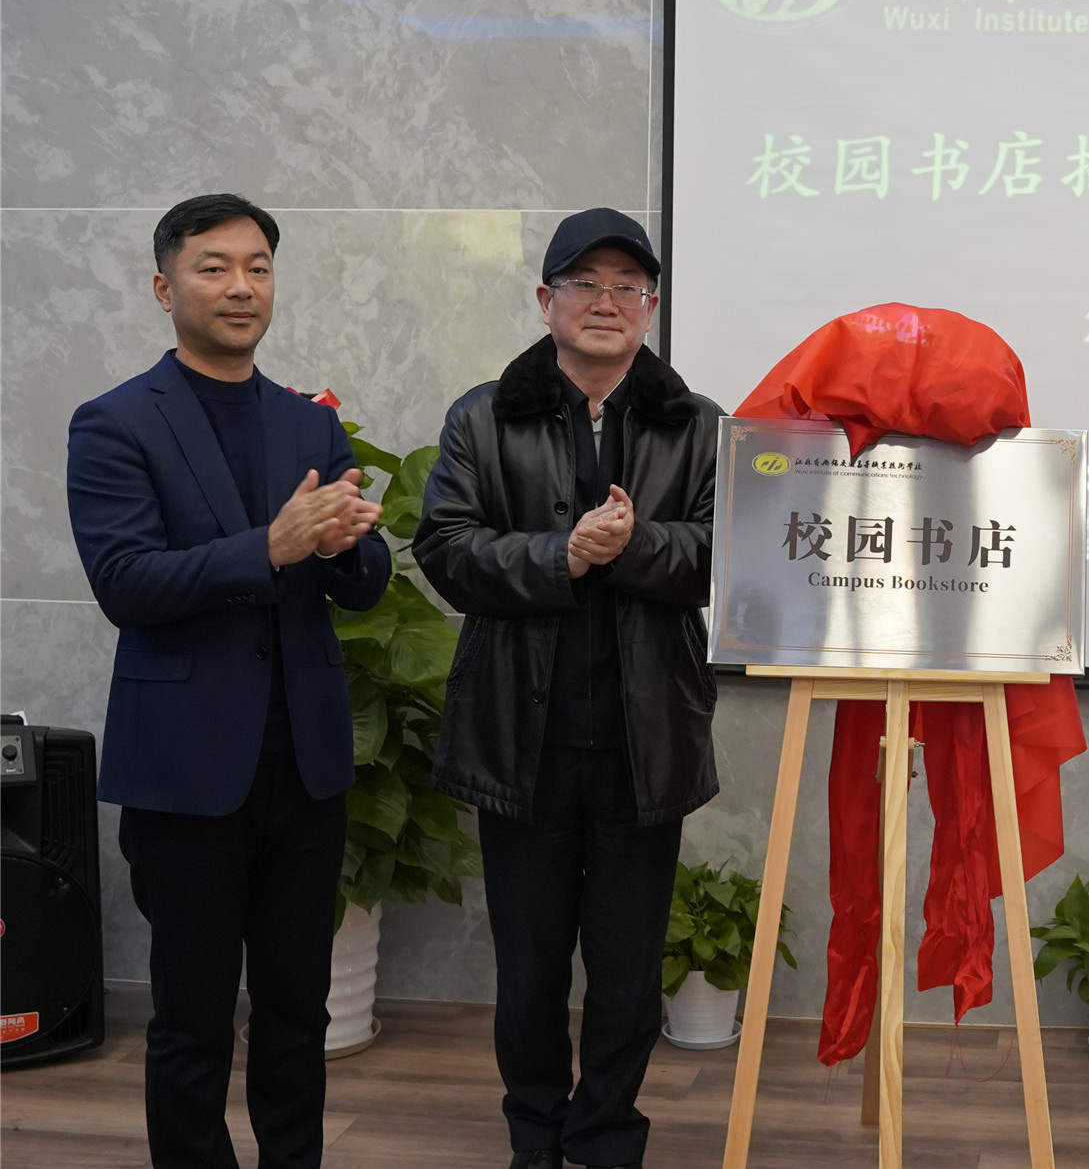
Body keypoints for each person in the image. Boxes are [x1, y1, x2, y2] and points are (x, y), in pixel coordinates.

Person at [67, 194, 391, 1169]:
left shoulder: (308, 424)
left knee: (298, 1010)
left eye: (257, 266)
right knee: (193, 1016)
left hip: (306, 765)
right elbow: (126, 583)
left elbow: (365, 583)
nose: (240, 285)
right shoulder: (115, 422)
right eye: (213, 267)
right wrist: (269, 547)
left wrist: (340, 547)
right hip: (186, 771)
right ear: (165, 288)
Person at [413, 208, 720, 1169]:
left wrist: (634, 544)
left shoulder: (697, 423)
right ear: (546, 300)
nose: (606, 301)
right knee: (531, 967)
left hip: (645, 740)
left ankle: (608, 1137)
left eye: (628, 286)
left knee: (627, 972)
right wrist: (563, 554)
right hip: (522, 739)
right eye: (584, 282)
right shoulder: (482, 416)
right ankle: (536, 1137)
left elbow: (727, 555)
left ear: (651, 307)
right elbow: (446, 551)